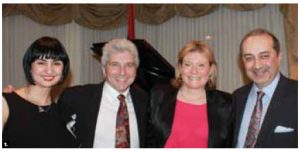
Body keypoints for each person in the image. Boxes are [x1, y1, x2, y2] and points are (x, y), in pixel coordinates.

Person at [57, 38, 150, 148]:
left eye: (129, 65)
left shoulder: (145, 100)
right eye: (115, 64)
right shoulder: (76, 98)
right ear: (104, 69)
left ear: (136, 69)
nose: (122, 72)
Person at [149, 40, 233, 148]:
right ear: (180, 68)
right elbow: (148, 140)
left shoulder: (226, 103)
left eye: (201, 65)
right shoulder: (158, 95)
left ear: (211, 70)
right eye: (188, 64)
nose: (194, 71)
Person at [2, 36, 79, 148]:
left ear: (63, 70)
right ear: (29, 67)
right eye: (41, 63)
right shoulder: (5, 104)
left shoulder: (63, 114)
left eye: (56, 63)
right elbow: (6, 144)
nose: (49, 70)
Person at [232, 28, 298, 148]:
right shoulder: (236, 97)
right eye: (249, 58)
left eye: (264, 56)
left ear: (279, 57)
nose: (257, 65)